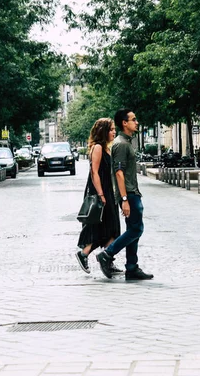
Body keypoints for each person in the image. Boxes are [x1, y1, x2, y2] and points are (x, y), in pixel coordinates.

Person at [96, 109, 153, 280]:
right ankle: (107, 254)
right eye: (133, 119)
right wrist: (125, 199)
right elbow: (119, 173)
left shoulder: (126, 142)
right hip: (129, 193)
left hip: (132, 192)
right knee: (136, 229)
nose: (137, 122)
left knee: (133, 229)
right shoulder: (121, 144)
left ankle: (131, 267)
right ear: (124, 123)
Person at [75, 118, 121, 274]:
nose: (114, 132)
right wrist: (101, 194)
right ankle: (88, 255)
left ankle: (105, 259)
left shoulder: (107, 148)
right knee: (109, 228)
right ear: (103, 131)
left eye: (114, 129)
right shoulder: (98, 148)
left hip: (109, 191)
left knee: (111, 229)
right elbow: (94, 172)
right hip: (101, 192)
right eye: (111, 129)